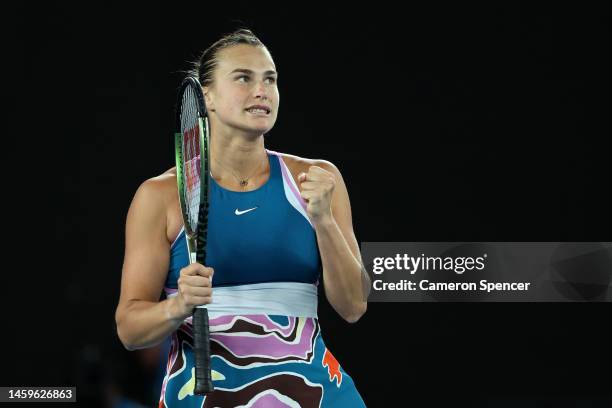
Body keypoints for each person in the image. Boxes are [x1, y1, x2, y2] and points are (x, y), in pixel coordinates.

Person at [115, 28, 369, 407]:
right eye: (244, 78)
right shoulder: (159, 196)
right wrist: (178, 305)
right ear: (207, 97)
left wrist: (324, 222)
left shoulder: (318, 180)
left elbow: (353, 306)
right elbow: (130, 330)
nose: (262, 90)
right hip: (202, 396)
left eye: (270, 79)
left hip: (314, 395)